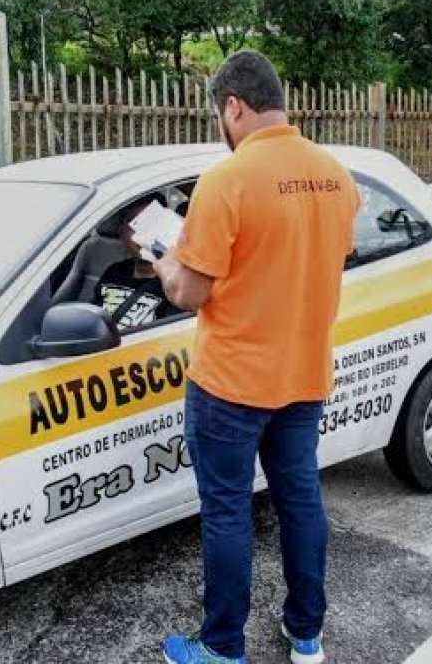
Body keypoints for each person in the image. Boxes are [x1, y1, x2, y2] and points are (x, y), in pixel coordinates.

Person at [154, 50, 361, 664]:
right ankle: (306, 636)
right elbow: (334, 253)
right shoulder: (334, 173)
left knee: (227, 511)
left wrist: (165, 260)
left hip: (231, 384)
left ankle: (220, 649)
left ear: (234, 106)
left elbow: (191, 292)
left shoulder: (228, 180)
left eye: (221, 113)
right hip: (303, 375)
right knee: (301, 500)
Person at [94, 197, 179, 331]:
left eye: (152, 223)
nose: (142, 233)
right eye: (135, 223)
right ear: (121, 231)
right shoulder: (114, 271)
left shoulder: (176, 281)